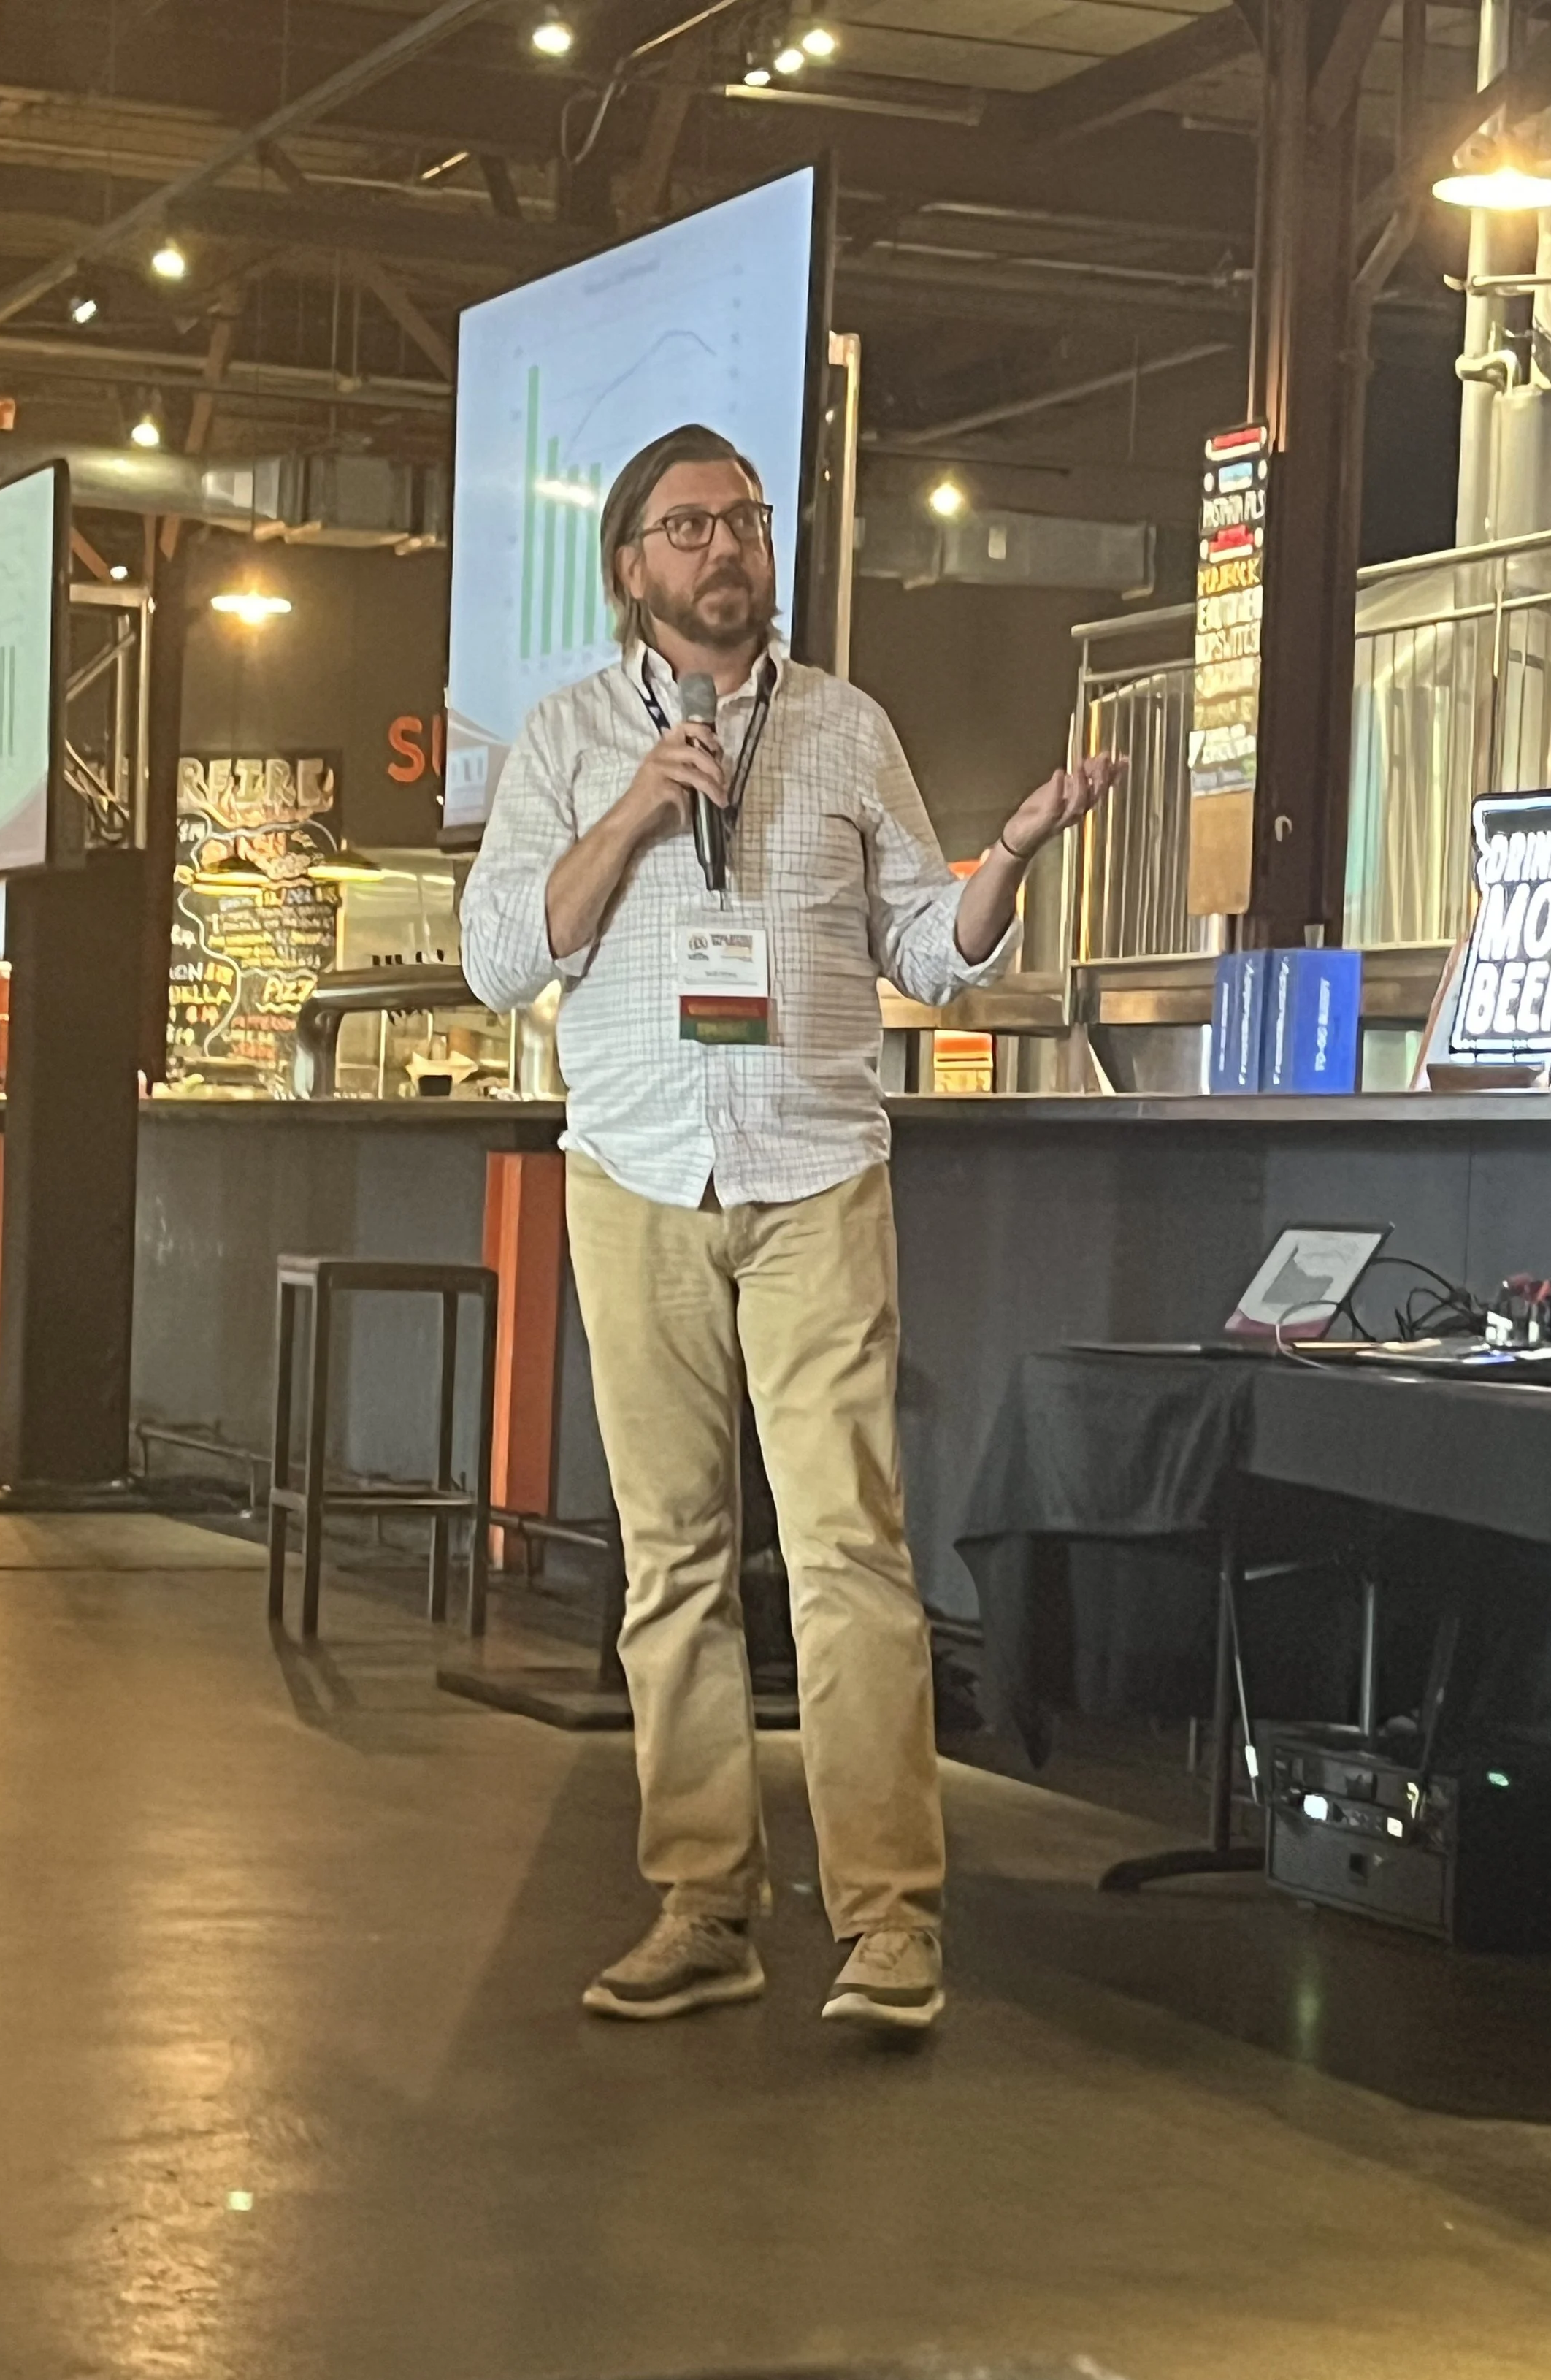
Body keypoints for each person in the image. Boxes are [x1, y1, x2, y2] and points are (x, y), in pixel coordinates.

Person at [461, 423, 1117, 2035]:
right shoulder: (560, 741)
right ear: (631, 566)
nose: (724, 550)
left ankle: (890, 1921)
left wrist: (1007, 858)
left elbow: (930, 949)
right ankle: (702, 1904)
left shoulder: (845, 727)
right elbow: (500, 960)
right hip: (632, 1176)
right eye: (689, 527)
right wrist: (625, 812)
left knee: (844, 1555)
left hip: (815, 1170)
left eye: (742, 522)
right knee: (673, 1558)